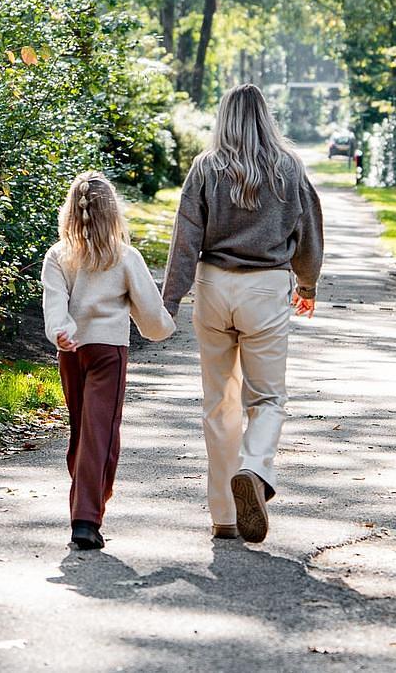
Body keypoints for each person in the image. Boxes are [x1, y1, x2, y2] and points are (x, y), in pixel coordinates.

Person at [162, 85, 324, 543]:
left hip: (213, 287)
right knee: (267, 399)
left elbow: (185, 240)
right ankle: (254, 469)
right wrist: (307, 283)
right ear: (266, 118)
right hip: (266, 288)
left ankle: (224, 517)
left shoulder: (206, 168)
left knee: (219, 404)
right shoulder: (289, 168)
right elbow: (309, 229)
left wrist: (170, 300)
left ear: (225, 118)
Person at [42, 171, 176, 550]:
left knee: (83, 432)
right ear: (113, 213)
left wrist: (63, 332)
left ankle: (86, 504)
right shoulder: (123, 256)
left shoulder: (59, 255)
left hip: (71, 353)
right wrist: (167, 326)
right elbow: (151, 316)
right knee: (101, 435)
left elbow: (55, 306)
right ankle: (86, 517)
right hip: (109, 355)